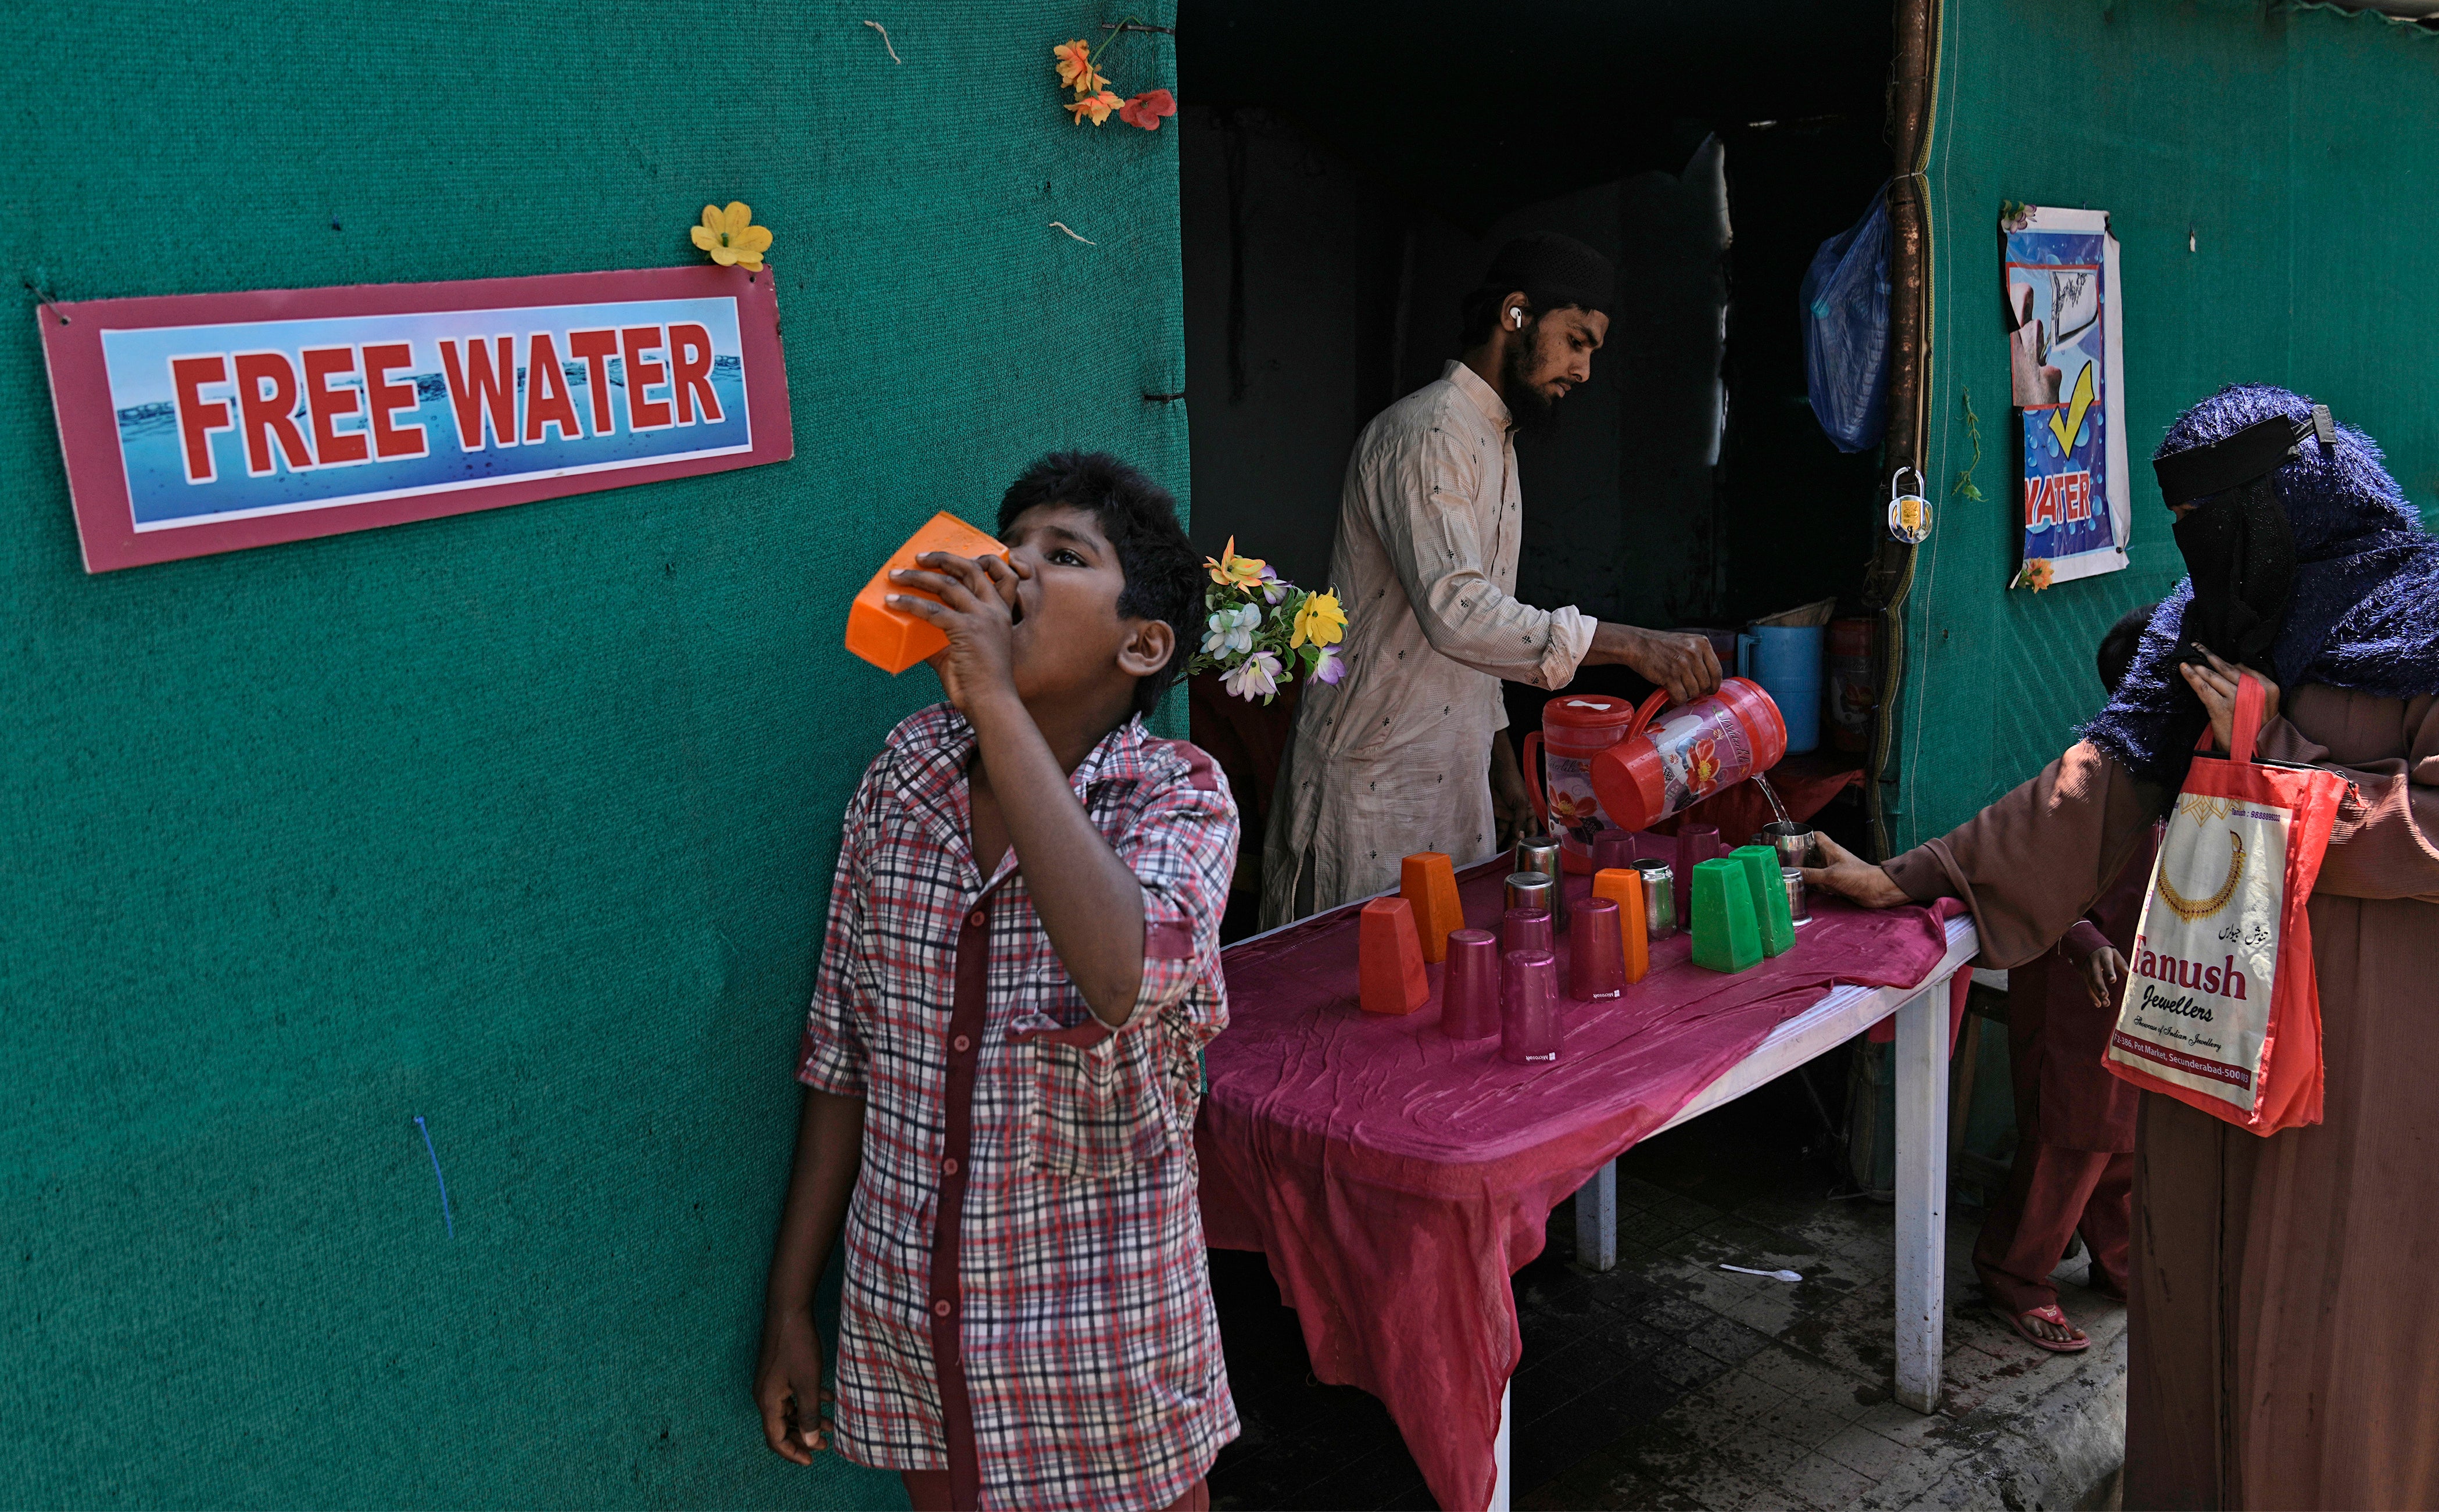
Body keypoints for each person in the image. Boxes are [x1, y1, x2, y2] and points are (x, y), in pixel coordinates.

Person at [1806, 385, 2439, 1509]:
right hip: (2214, 1033)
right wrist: (1915, 873)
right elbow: (2094, 787)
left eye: (2219, 522)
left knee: (2330, 1309)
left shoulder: (2420, 616)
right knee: (2192, 1288)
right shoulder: (2200, 623)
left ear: (2295, 503)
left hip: (2361, 1055)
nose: (2202, 555)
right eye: (2181, 526)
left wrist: (2271, 754)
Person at [754, 452, 1237, 1511]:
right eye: (1005, 544)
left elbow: (1123, 976)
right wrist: (794, 1300)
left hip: (1106, 1363)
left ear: (1141, 643)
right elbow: (842, 1056)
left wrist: (992, 701)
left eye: (1060, 556)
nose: (1010, 570)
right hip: (922, 1347)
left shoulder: (1180, 799)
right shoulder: (905, 775)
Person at [1260, 231, 1722, 926]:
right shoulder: (1427, 433)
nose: (1584, 370)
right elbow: (1458, 611)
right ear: (1515, 315)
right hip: (1375, 785)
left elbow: (1486, 630)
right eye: (1576, 341)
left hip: (1454, 782)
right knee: (1358, 999)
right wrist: (1631, 644)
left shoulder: (1494, 440)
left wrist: (1501, 763)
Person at [1971, 604, 2158, 1355]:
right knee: (2067, 1143)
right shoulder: (2088, 773)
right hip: (2072, 991)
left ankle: (2120, 1265)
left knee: (2123, 1141)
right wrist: (2081, 940)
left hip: (2137, 993)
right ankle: (2014, 1276)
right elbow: (2026, 878)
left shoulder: (2178, 775)